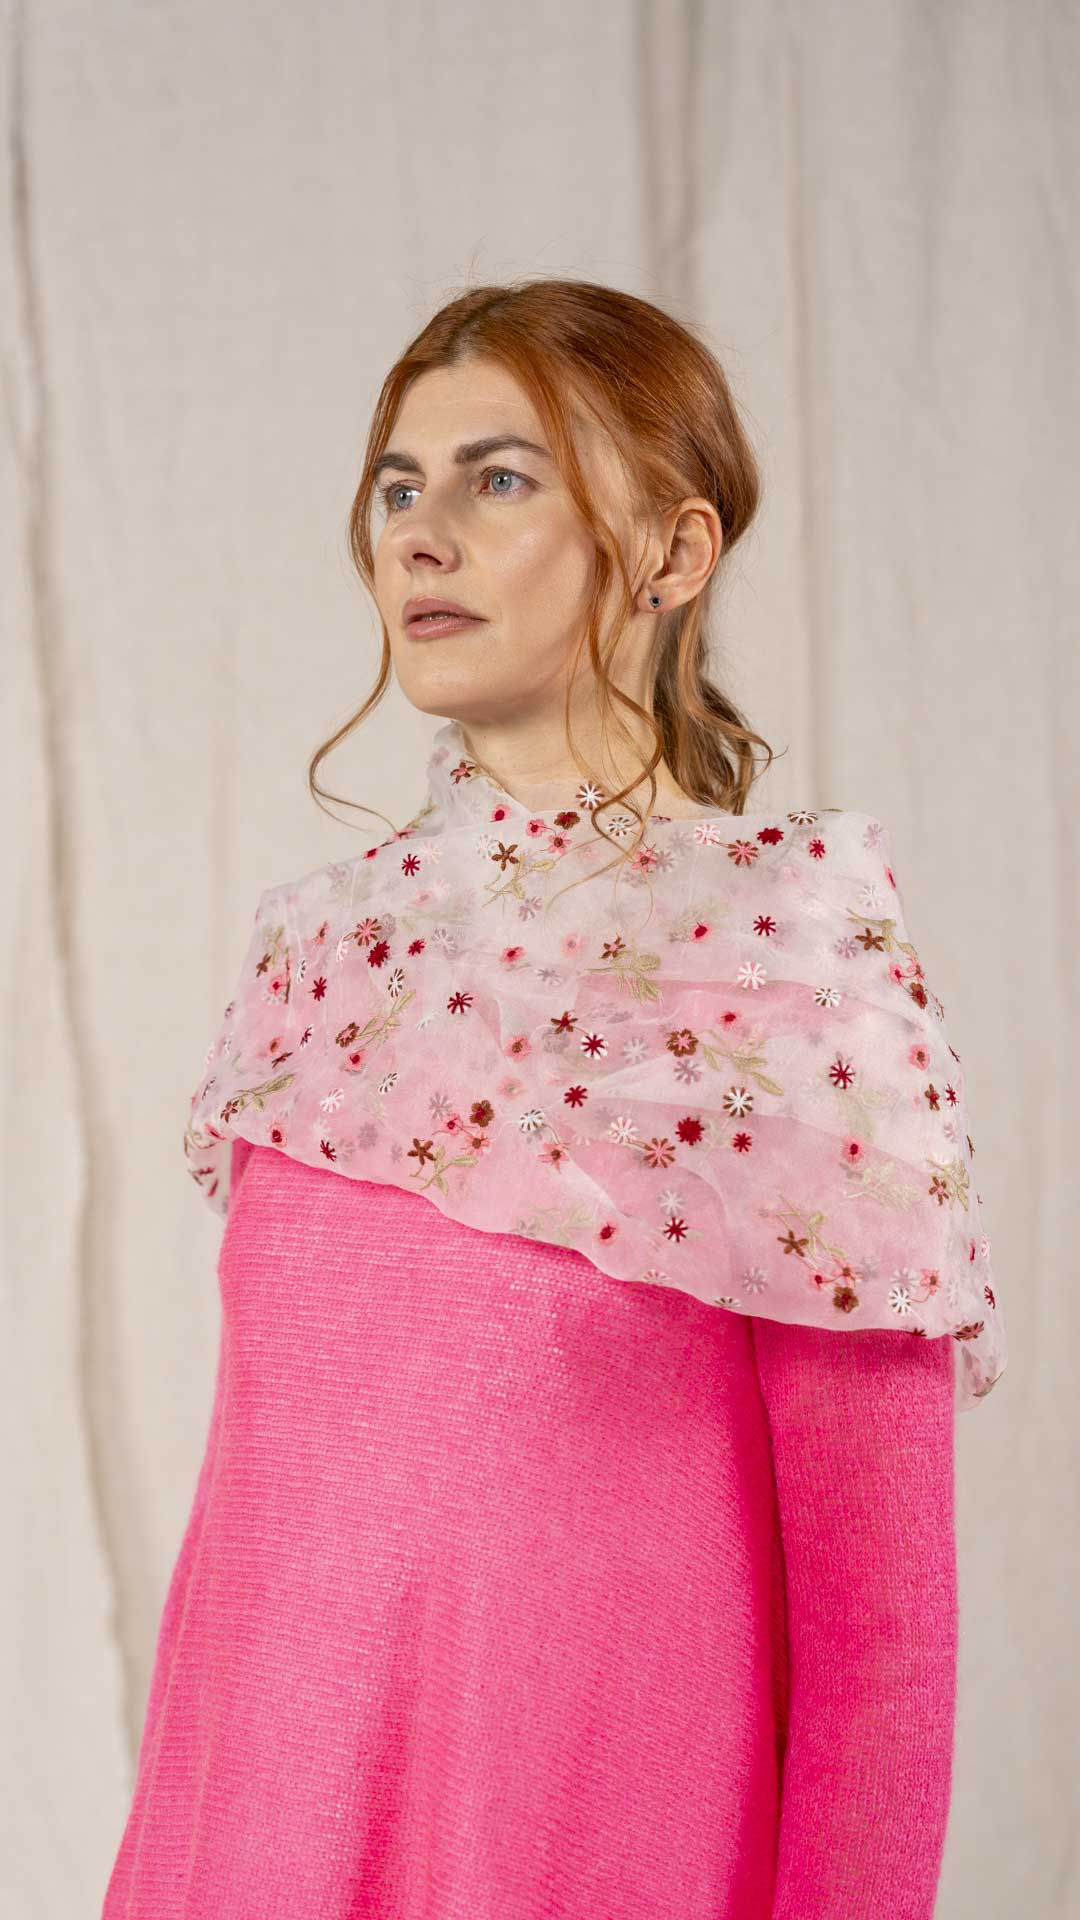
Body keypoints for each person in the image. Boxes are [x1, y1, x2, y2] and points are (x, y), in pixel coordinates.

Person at [102, 278, 1004, 1919]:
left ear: (672, 553)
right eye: (399, 485)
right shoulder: (324, 955)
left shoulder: (793, 979)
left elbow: (880, 1651)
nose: (420, 534)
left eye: (498, 477)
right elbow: (249, 1548)